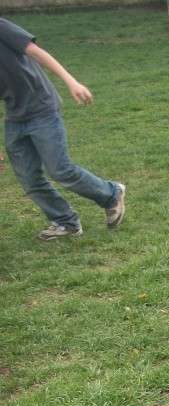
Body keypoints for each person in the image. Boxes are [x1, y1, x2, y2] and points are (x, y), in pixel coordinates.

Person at [0, 17, 125, 241]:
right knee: (29, 179)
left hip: (41, 108)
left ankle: (111, 194)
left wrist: (71, 81)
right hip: (15, 116)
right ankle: (66, 221)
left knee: (60, 169)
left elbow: (36, 52)